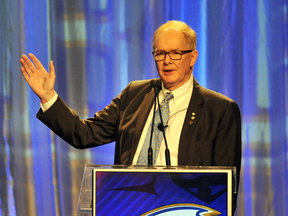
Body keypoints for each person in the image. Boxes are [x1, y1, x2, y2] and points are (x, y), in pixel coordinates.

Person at [20, 20, 241, 212]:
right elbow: (83, 134)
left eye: (175, 53)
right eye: (160, 53)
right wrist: (49, 97)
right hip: (128, 207)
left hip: (182, 210)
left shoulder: (219, 109)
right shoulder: (135, 95)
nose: (167, 61)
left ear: (192, 57)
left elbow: (225, 188)